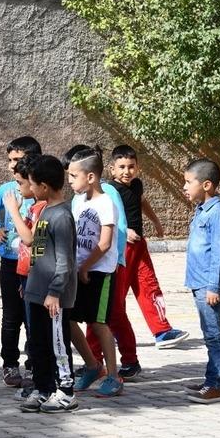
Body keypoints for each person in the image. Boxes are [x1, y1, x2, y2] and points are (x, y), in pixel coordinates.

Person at [95, 145, 188, 379]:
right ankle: (102, 353)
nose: (127, 171)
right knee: (114, 301)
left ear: (137, 167)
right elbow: (107, 216)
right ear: (112, 169)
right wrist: (125, 232)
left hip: (140, 246)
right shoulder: (108, 190)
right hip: (121, 248)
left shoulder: (136, 185)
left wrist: (155, 221)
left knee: (149, 285)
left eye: (131, 166)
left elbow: (141, 201)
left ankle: (162, 330)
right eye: (122, 167)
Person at [18, 155, 78, 413]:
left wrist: (54, 292)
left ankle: (65, 391)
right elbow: (40, 253)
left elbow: (65, 261)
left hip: (52, 298)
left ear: (43, 186)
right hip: (36, 293)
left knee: (58, 344)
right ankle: (43, 388)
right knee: (39, 343)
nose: (29, 189)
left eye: (31, 184)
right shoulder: (45, 211)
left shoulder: (62, 217)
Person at [0, 136, 42, 387]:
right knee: (11, 316)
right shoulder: (7, 190)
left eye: (17, 160)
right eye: (9, 160)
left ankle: (34, 364)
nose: (11, 166)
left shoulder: (40, 194)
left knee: (33, 318)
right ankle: (9, 364)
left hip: (33, 266)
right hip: (10, 262)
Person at [67, 148, 123, 398]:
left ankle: (113, 375)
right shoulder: (78, 202)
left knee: (99, 323)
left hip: (99, 273)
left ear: (90, 177)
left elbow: (105, 242)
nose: (69, 181)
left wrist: (87, 266)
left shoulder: (106, 203)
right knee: (68, 320)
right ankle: (92, 366)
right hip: (78, 271)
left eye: (73, 176)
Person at [182, 158, 220, 404]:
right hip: (198, 281)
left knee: (214, 334)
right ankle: (211, 380)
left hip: (208, 285)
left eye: (189, 182)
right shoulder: (202, 210)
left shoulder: (218, 213)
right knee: (209, 333)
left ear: (207, 185)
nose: (185, 187)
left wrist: (214, 286)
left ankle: (217, 385)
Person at [3, 154, 45, 398]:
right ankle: (39, 381)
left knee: (38, 333)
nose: (17, 188)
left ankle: (43, 382)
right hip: (27, 278)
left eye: (20, 183)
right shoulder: (37, 208)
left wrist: (14, 212)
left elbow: (31, 241)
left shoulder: (42, 210)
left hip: (38, 281)